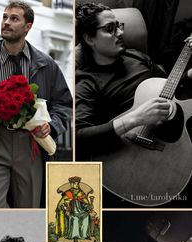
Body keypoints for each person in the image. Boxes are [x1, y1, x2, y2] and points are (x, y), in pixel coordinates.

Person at [0, 1, 72, 208]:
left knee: (29, 207)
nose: (6, 23)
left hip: (31, 145)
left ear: (28, 26)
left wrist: (52, 125)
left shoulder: (47, 65)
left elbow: (63, 104)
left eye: (14, 18)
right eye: (5, 17)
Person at [75, 3, 192, 205]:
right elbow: (79, 137)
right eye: (109, 29)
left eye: (119, 25)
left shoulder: (137, 56)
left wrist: (188, 76)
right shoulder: (87, 82)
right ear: (89, 38)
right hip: (131, 154)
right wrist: (135, 118)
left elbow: (167, 87)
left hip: (171, 138)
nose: (120, 32)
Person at [55, 176, 93, 242]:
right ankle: (75, 236)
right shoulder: (68, 193)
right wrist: (65, 207)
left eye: (77, 183)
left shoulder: (81, 193)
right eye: (75, 183)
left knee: (86, 216)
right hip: (72, 212)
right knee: (75, 219)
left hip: (81, 211)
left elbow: (85, 203)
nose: (77, 185)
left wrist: (87, 206)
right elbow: (62, 203)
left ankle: (85, 235)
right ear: (71, 184)